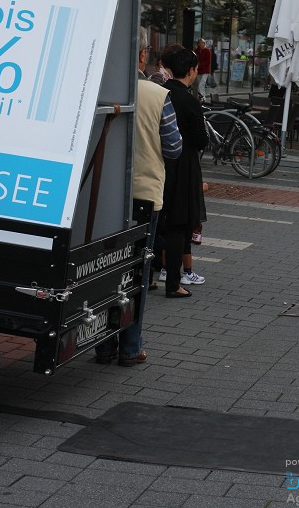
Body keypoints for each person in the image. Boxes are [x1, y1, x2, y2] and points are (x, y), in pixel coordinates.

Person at [96, 28, 182, 366]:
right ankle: (130, 347)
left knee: (102, 270)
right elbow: (174, 149)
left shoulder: (100, 90)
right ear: (143, 55)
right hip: (144, 195)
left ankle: (102, 345)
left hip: (100, 196)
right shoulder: (158, 95)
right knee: (137, 273)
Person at [160, 46, 209, 297]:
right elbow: (201, 140)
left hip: (159, 164)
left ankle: (149, 276)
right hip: (183, 166)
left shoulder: (160, 93)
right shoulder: (189, 100)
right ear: (191, 71)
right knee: (178, 225)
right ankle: (173, 283)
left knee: (158, 221)